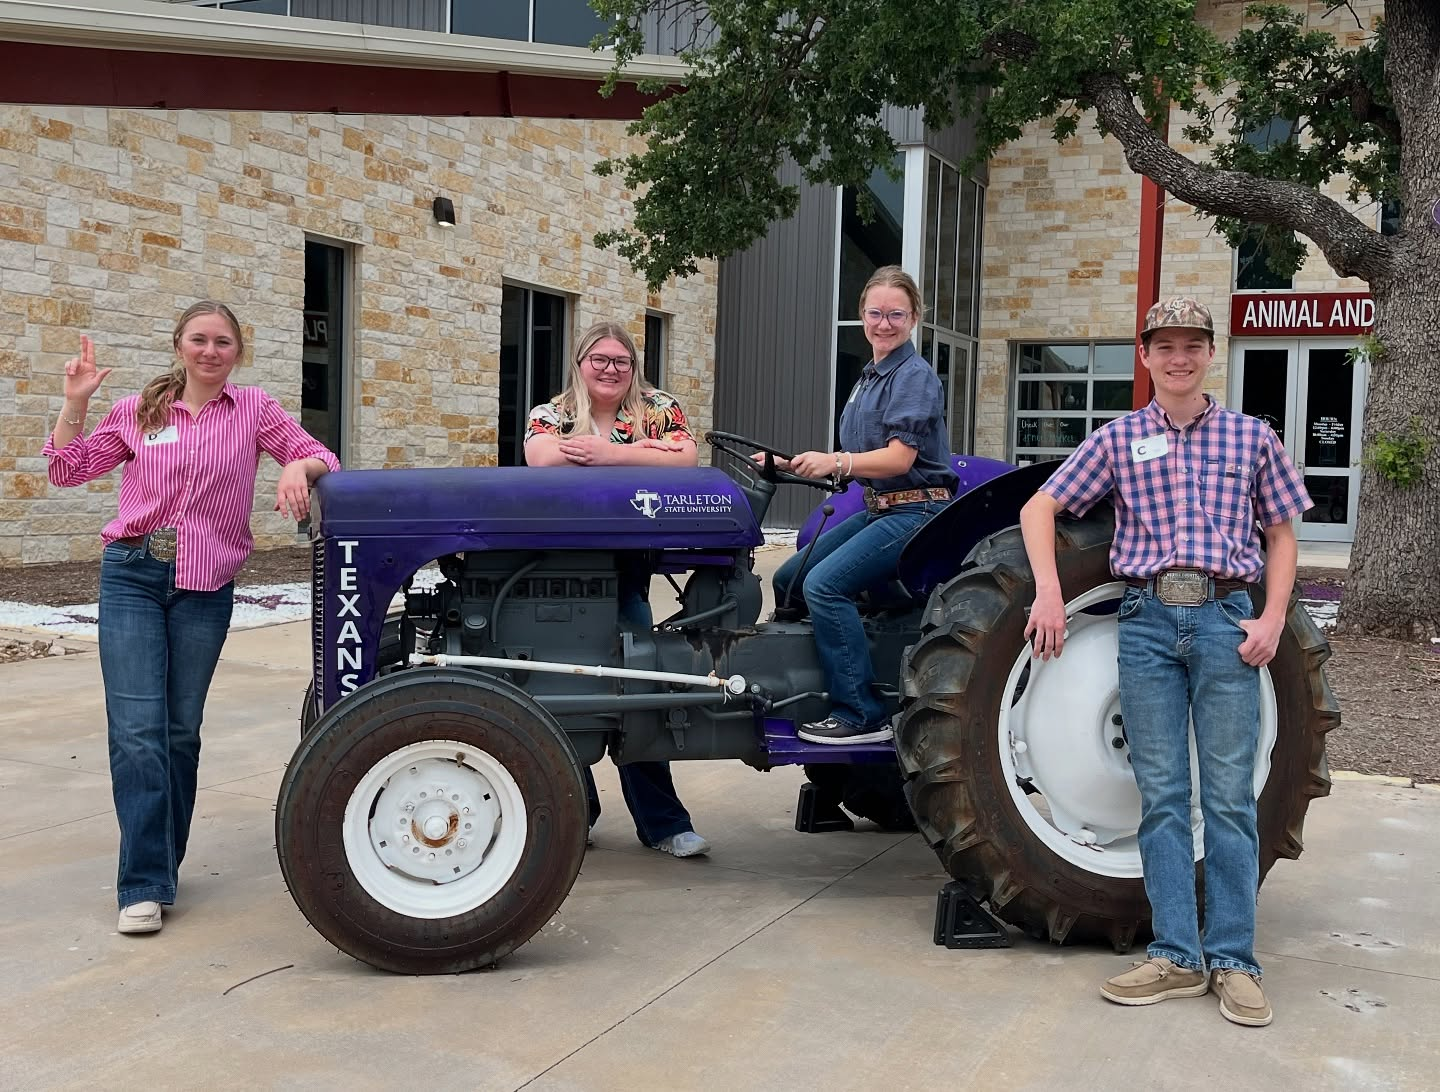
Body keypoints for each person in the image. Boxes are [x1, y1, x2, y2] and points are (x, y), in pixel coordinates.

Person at [1019, 297, 1311, 1028]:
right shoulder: (1118, 439)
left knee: (1229, 797)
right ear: (1145, 355)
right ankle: (1178, 953)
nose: (1179, 358)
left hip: (1223, 620)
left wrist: (1273, 617)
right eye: (1165, 346)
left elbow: (1281, 534)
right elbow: (1037, 508)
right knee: (1162, 795)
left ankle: (1235, 960)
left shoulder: (1252, 438)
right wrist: (1049, 593)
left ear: (1211, 353)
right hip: (1147, 623)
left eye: (1192, 345)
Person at [43, 302, 340, 935]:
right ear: (179, 345)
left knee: (179, 733)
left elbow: (324, 457)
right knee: (137, 731)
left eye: (222, 342)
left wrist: (295, 464)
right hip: (133, 574)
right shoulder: (140, 411)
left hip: (204, 586)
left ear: (237, 352)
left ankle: (159, 865)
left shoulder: (253, 409)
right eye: (199, 340)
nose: (210, 351)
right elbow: (66, 470)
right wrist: (76, 403)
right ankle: (143, 882)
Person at [524, 320, 711, 858]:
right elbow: (541, 457)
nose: (610, 369)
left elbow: (685, 458)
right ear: (580, 363)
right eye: (599, 360)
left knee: (637, 684)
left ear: (634, 367)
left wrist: (605, 454)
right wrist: (644, 455)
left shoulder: (658, 408)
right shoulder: (552, 413)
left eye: (621, 361)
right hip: (565, 564)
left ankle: (663, 824)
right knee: (563, 685)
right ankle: (575, 811)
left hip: (628, 565)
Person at [769, 266, 956, 745]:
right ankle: (807, 683)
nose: (884, 324)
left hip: (918, 511)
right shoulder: (870, 377)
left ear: (914, 318)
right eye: (875, 313)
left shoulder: (913, 377)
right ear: (862, 316)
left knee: (824, 586)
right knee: (789, 580)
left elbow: (898, 459)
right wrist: (791, 463)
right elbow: (857, 457)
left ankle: (860, 712)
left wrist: (835, 461)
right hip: (881, 508)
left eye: (896, 314)